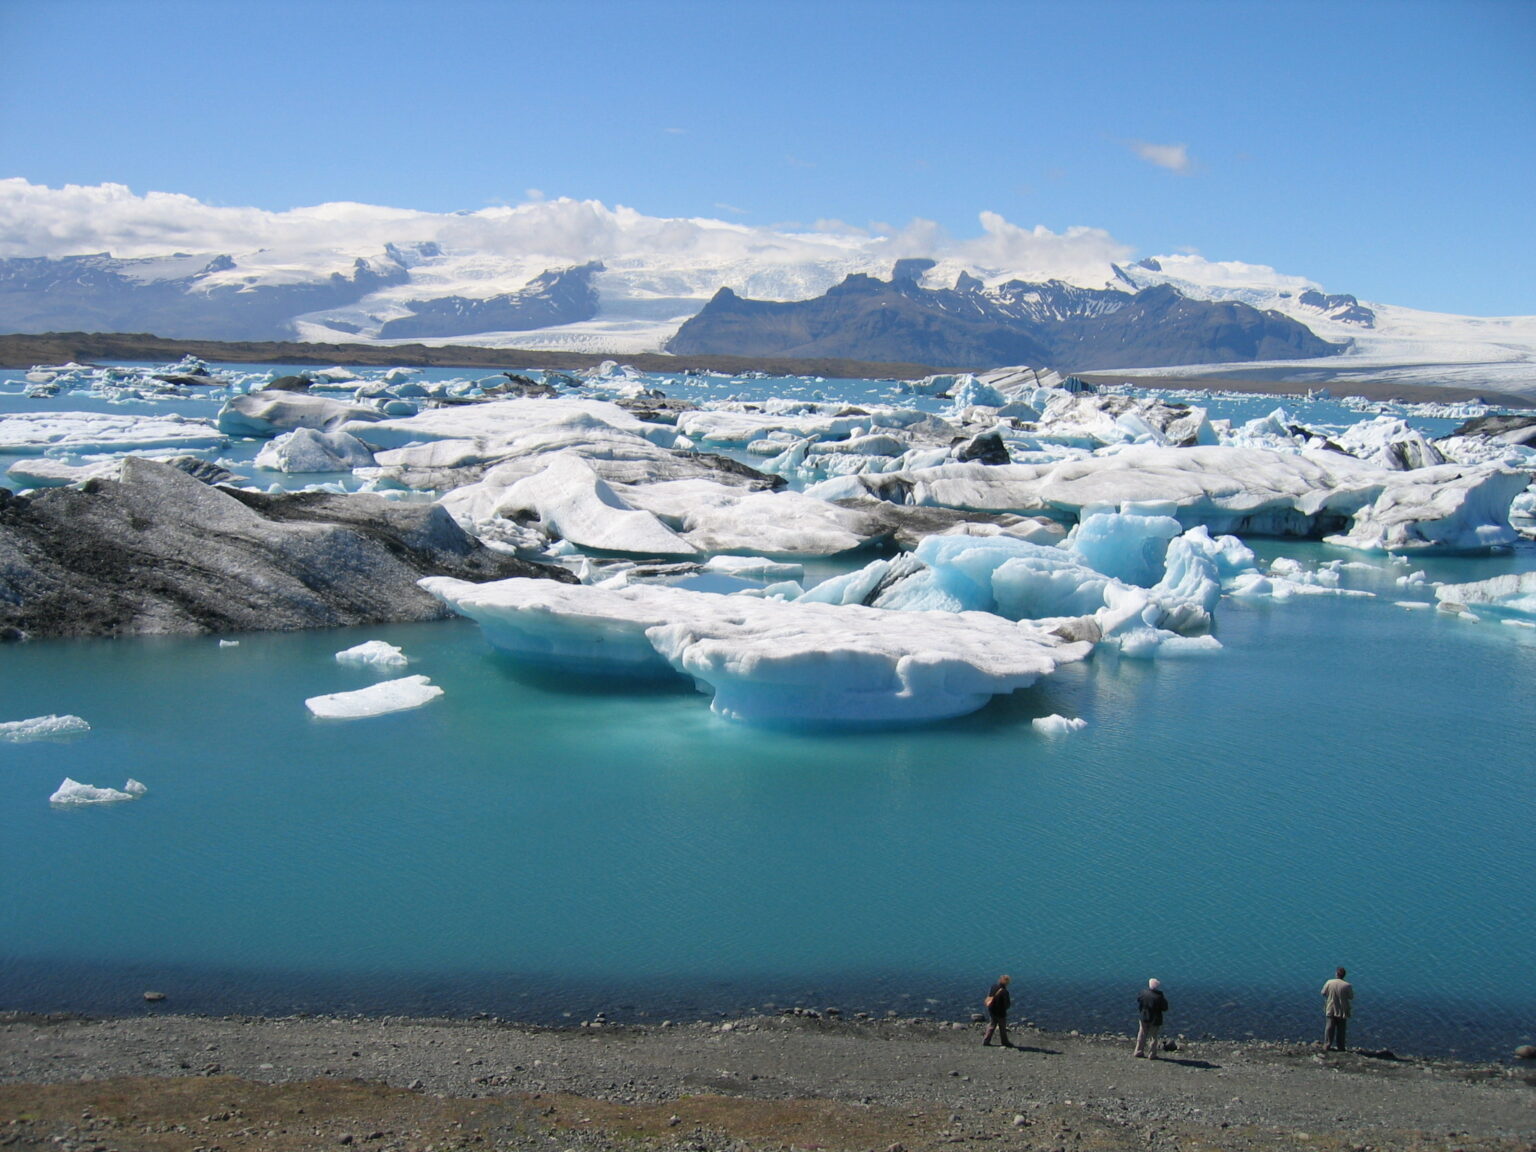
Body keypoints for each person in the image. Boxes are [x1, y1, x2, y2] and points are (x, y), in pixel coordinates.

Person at [1134, 978, 1168, 1058]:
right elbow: (1165, 1008)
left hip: (1143, 1017)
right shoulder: (1159, 996)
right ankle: (1152, 1054)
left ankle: (1138, 1051)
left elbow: (1139, 1000)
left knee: (1142, 1034)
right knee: (1153, 1037)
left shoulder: (1143, 993)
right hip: (1154, 1020)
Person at [1321, 967, 1353, 1051]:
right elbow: (1351, 997)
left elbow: (1323, 992)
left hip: (1331, 1008)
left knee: (1329, 1027)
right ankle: (1341, 1047)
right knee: (1341, 1030)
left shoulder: (1329, 982)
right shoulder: (1347, 985)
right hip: (1342, 1010)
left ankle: (1327, 1045)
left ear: (1336, 974)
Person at [981, 974, 1012, 1047]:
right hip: (1000, 1012)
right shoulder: (1005, 992)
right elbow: (1007, 1004)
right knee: (1002, 1027)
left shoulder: (993, 987)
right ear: (1006, 983)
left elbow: (990, 996)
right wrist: (1006, 1008)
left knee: (992, 1025)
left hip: (991, 1009)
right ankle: (1004, 1042)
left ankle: (986, 1040)